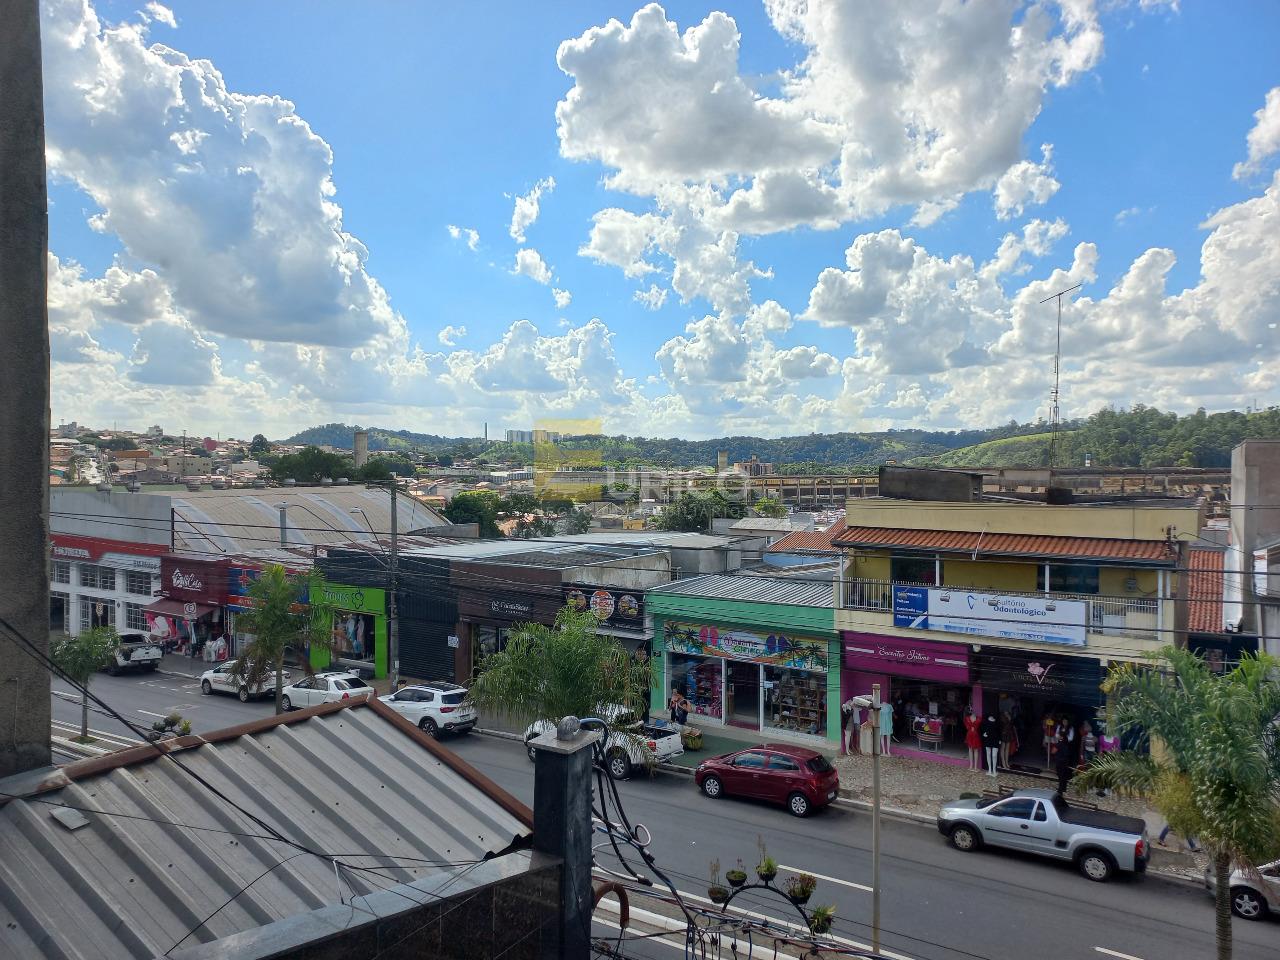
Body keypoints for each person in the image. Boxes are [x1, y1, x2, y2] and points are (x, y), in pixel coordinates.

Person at [980, 712, 1000, 777]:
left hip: (995, 740)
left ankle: (994, 770)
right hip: (988, 739)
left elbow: (1000, 731)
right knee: (988, 754)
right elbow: (981, 730)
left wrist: (1000, 739)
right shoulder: (985, 721)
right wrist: (983, 735)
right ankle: (990, 769)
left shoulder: (997, 722)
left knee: (994, 755)